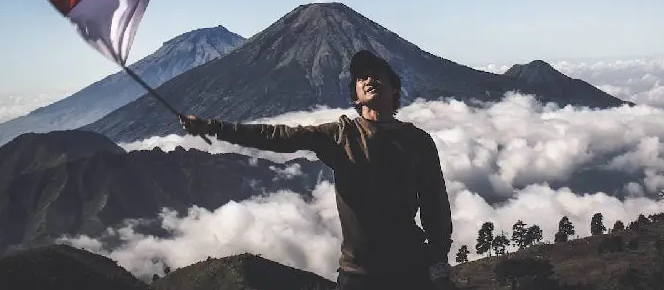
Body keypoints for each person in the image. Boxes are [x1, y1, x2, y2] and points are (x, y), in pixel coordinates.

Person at [180, 49, 458, 290]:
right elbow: (277, 135)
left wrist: (438, 262)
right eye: (362, 78)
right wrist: (214, 127)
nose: (369, 79)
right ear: (356, 98)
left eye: (377, 74)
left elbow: (435, 204)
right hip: (359, 275)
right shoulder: (341, 135)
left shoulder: (418, 141)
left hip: (410, 269)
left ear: (394, 88)